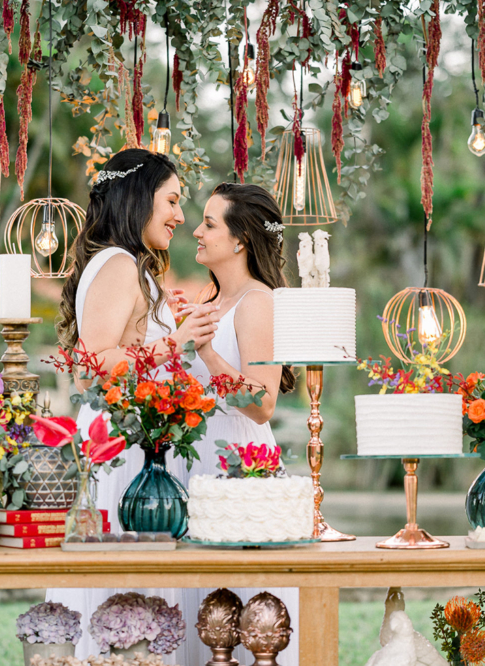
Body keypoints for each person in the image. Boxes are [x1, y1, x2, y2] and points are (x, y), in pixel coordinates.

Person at [47, 149, 219, 662]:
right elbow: (94, 361)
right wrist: (177, 341)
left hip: (133, 442)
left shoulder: (127, 265)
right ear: (139, 199)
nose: (181, 216)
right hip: (119, 448)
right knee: (131, 593)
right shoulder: (119, 263)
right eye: (171, 200)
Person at [177, 182, 299, 666]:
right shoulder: (211, 299)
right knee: (202, 608)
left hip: (237, 456)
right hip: (197, 455)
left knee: (244, 608)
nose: (196, 231)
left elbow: (263, 401)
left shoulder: (257, 301)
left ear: (241, 239)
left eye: (209, 223)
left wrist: (205, 354)